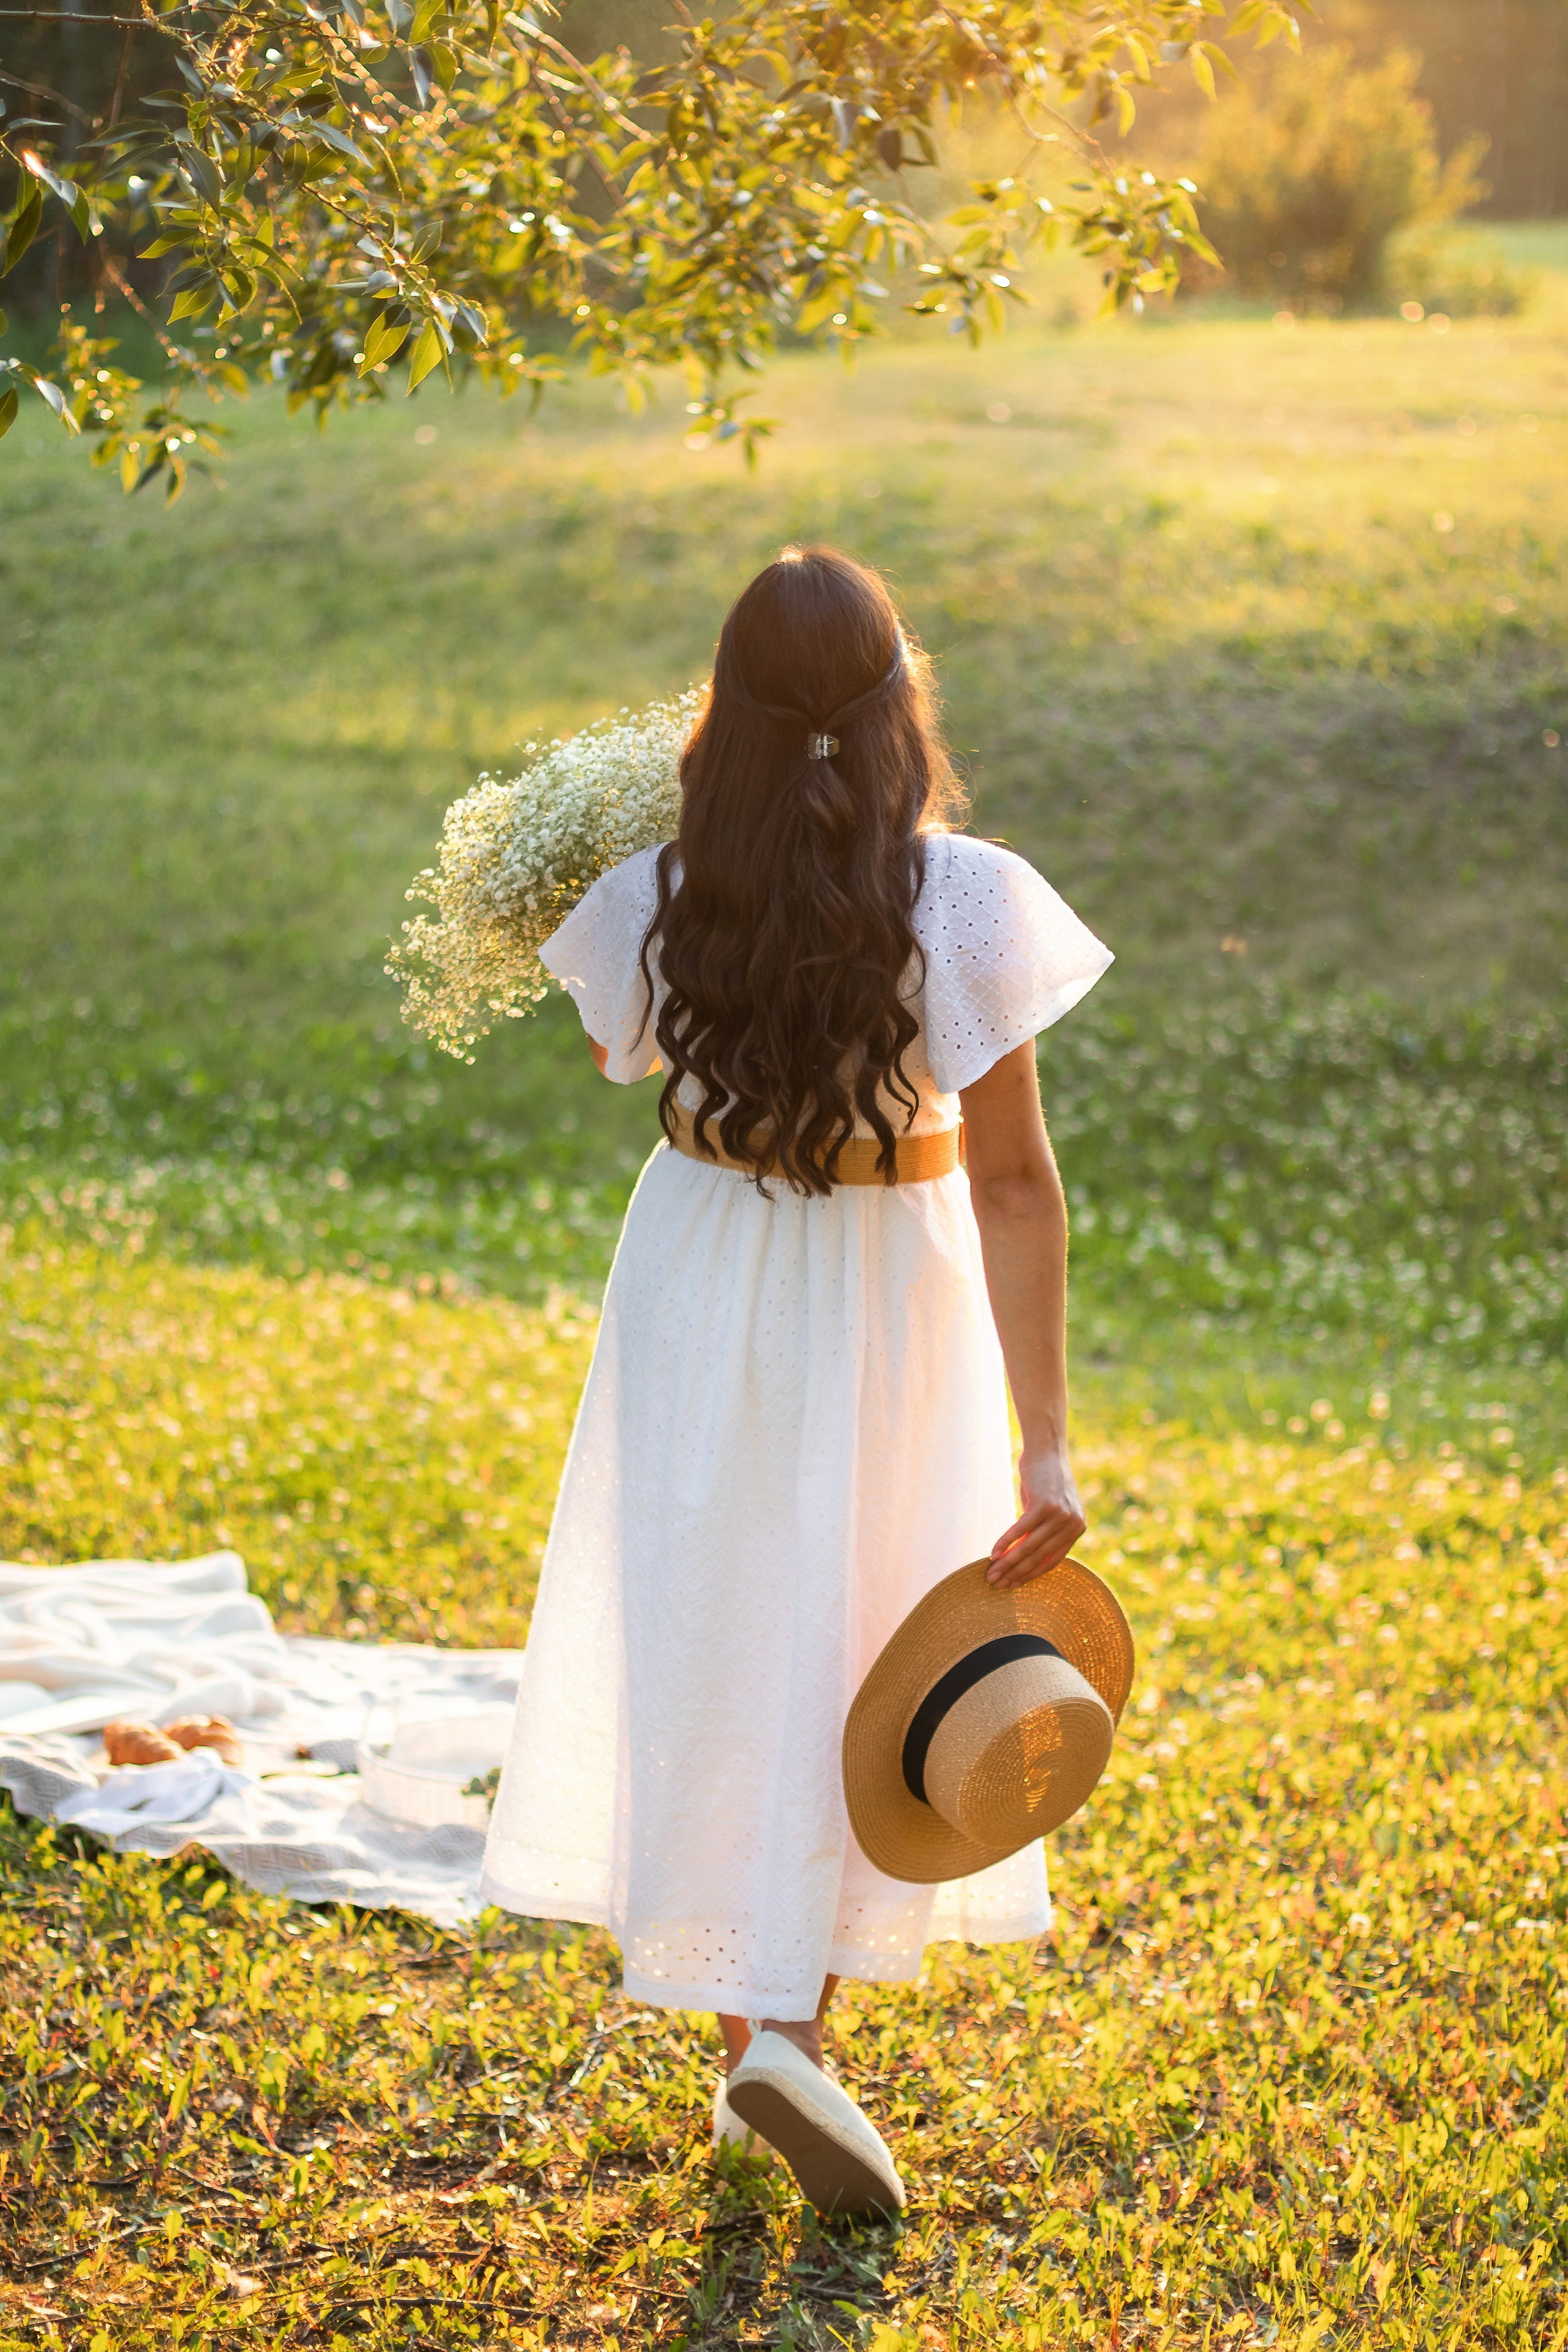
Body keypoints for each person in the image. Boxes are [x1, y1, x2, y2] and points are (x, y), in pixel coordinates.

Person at [481, 545, 1112, 2213]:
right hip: (894, 1278)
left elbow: (626, 1046)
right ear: (906, 702)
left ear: (720, 712)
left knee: (730, 1608)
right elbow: (1018, 1181)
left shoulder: (646, 894)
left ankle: (766, 2029)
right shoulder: (968, 898)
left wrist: (620, 829)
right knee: (870, 1632)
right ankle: (789, 2033)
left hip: (702, 1265)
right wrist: (1046, 1443)